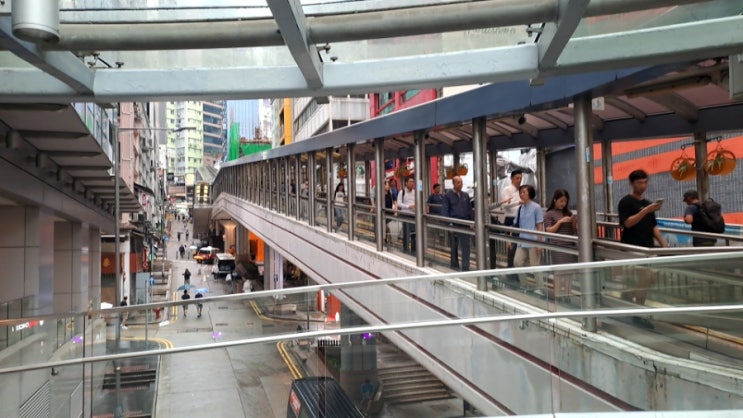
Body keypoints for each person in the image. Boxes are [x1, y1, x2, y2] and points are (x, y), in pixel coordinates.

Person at [618, 169, 667, 328]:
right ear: (632, 183)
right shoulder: (626, 202)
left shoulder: (648, 204)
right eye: (639, 183)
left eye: (645, 182)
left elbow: (653, 226)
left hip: (648, 247)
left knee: (651, 279)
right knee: (645, 277)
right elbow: (627, 223)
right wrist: (645, 211)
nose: (643, 186)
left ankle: (628, 295)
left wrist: (663, 245)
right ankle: (639, 312)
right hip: (633, 247)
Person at [543, 189, 577, 299]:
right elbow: (548, 230)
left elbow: (573, 230)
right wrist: (560, 222)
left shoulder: (568, 213)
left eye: (565, 201)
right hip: (557, 246)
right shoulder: (549, 214)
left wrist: (574, 221)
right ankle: (557, 295)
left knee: (569, 273)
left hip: (569, 246)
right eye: (561, 201)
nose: (563, 204)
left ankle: (567, 295)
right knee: (558, 272)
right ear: (555, 200)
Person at [513, 185, 545, 293]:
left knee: (535, 265)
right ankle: (524, 285)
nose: (521, 194)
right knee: (517, 262)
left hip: (533, 240)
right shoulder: (520, 208)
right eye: (520, 192)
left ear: (530, 193)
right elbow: (516, 223)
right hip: (522, 240)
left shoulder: (536, 207)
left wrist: (539, 242)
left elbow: (540, 225)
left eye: (524, 192)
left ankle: (540, 288)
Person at [441, 176, 473, 271]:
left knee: (466, 246)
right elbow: (445, 210)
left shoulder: (465, 195)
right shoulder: (447, 195)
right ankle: (454, 266)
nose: (460, 184)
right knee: (454, 246)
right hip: (454, 224)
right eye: (458, 182)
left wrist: (471, 221)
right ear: (453, 183)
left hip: (465, 224)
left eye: (461, 182)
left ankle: (465, 267)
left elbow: (469, 210)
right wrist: (449, 224)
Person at [501, 170, 523, 268]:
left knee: (520, 245)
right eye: (517, 178)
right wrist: (517, 202)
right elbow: (505, 205)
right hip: (510, 219)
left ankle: (518, 269)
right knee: (511, 246)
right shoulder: (507, 190)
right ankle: (510, 269)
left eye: (520, 178)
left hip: (521, 219)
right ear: (511, 179)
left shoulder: (522, 190)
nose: (519, 180)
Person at [396, 177, 417, 254]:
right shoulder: (402, 192)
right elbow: (399, 203)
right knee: (406, 232)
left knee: (414, 233)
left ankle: (414, 250)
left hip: (414, 215)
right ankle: (406, 249)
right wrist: (408, 206)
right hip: (405, 215)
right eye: (410, 182)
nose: (412, 183)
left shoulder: (415, 192)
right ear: (406, 183)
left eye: (413, 182)